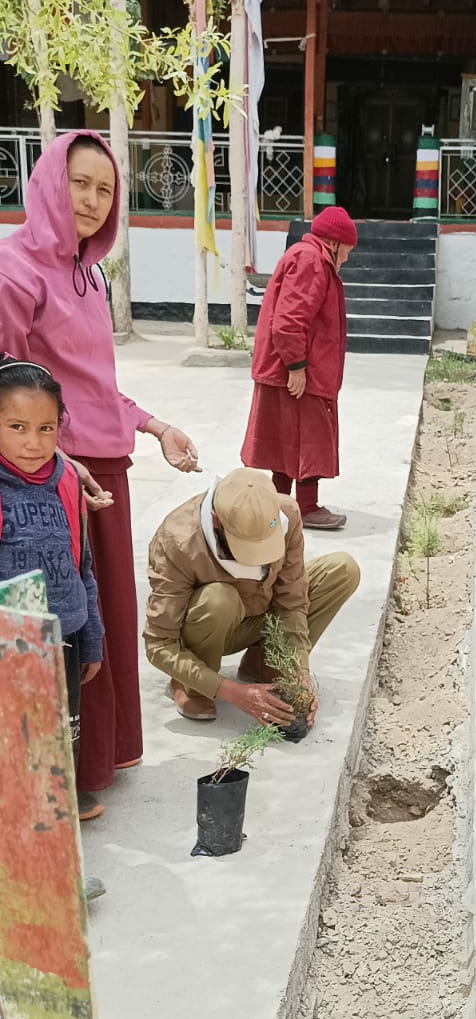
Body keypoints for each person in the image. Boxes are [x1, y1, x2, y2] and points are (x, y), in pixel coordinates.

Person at [0, 130, 200, 804]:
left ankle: (101, 758)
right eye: (79, 183)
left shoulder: (89, 274)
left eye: (105, 189)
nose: (91, 200)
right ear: (49, 183)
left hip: (104, 469)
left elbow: (95, 385)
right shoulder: (15, 270)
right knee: (59, 622)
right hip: (44, 479)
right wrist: (58, 459)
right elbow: (7, 384)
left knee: (104, 613)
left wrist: (157, 426)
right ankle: (58, 785)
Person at [144, 467, 360, 727]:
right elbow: (159, 644)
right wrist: (232, 692)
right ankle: (191, 685)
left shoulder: (286, 513)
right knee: (219, 599)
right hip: (213, 627)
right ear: (216, 521)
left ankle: (264, 661)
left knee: (341, 569)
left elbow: (291, 602)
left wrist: (299, 670)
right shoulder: (178, 540)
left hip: (261, 615)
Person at [0, 354, 103, 816]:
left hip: (66, 638)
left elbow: (83, 565)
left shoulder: (67, 482)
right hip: (12, 647)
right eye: (16, 427)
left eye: (46, 428)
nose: (33, 442)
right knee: (18, 743)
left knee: (63, 734)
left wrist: (92, 637)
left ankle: (59, 821)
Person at [241, 206, 358, 531]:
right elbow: (290, 321)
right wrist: (296, 367)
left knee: (287, 439)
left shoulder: (309, 257)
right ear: (334, 243)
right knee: (307, 439)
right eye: (347, 250)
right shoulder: (311, 261)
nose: (347, 258)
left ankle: (280, 505)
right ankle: (305, 508)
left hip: (293, 369)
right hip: (294, 371)